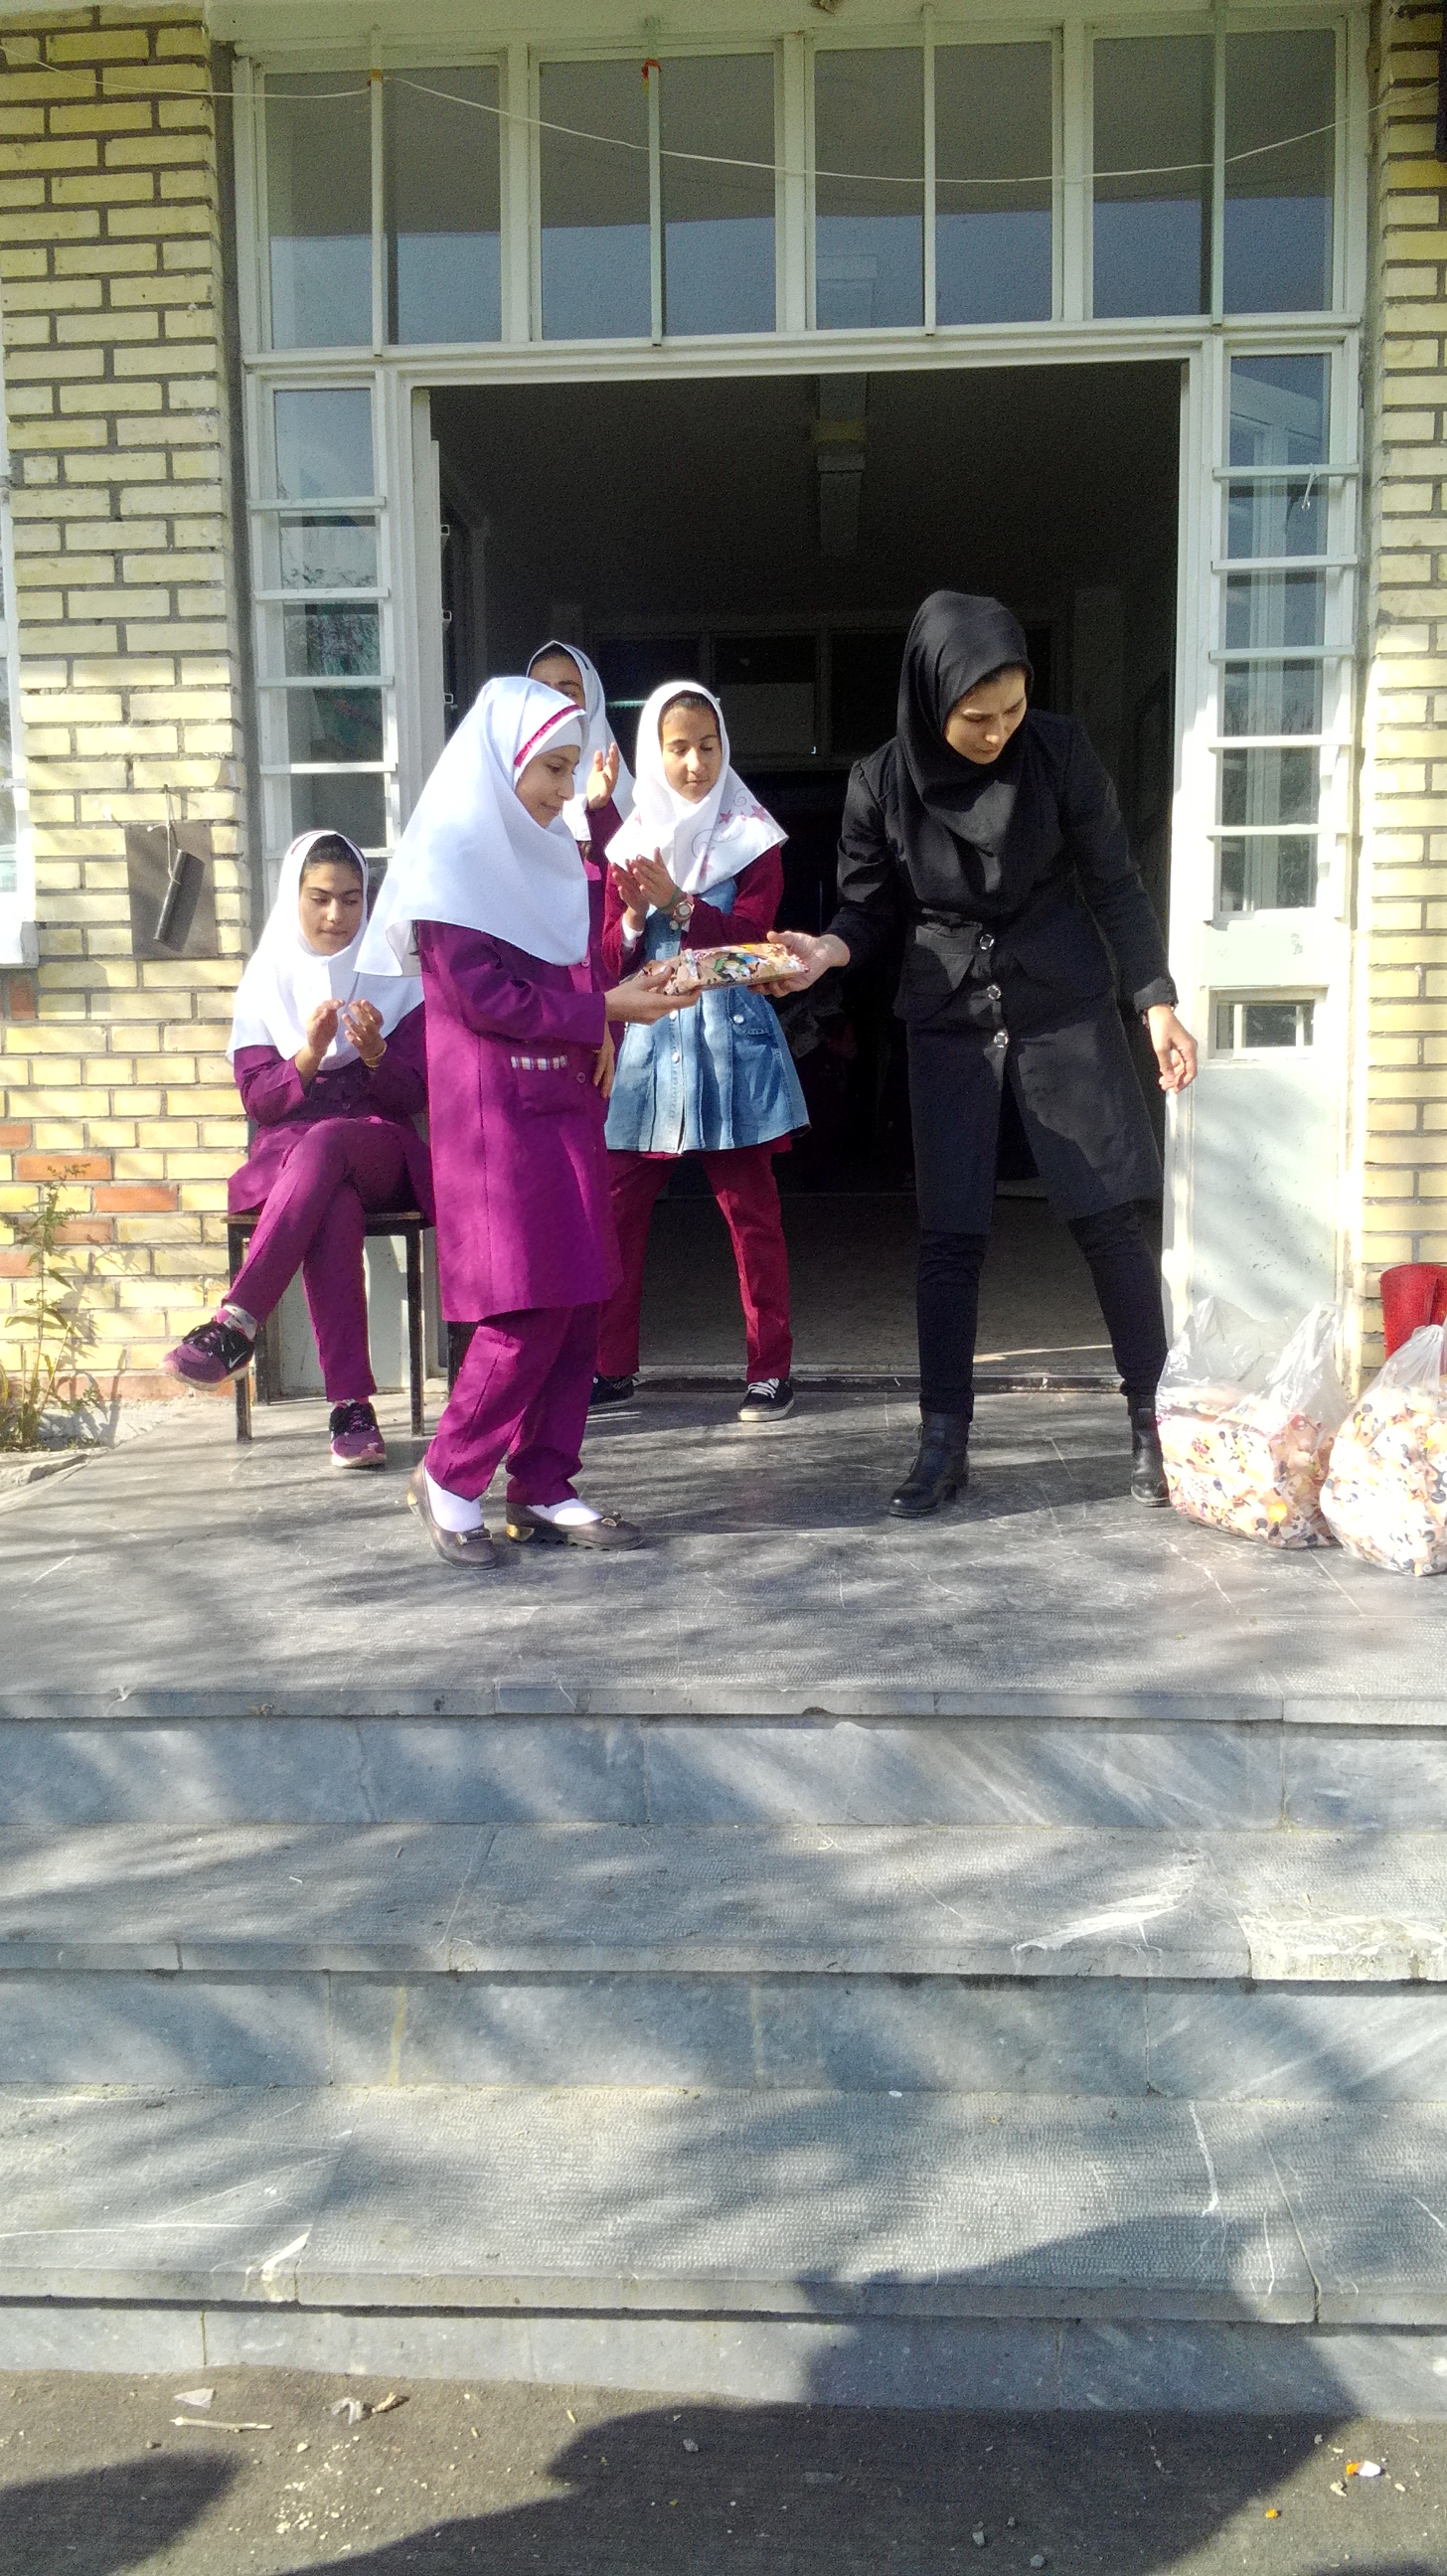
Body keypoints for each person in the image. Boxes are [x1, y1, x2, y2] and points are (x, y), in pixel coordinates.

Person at [778, 591, 1198, 1517]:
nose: (997, 731)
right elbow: (866, 912)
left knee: (1107, 1220)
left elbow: (1115, 883)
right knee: (950, 1234)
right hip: (950, 1011)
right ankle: (943, 1441)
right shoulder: (881, 783)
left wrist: (1155, 999)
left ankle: (1153, 1425)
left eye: (1012, 709)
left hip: (1062, 998)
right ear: (933, 699)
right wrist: (829, 950)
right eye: (976, 717)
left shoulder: (1061, 753)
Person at [356, 674, 694, 1570]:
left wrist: (619, 998)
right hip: (495, 1125)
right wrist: (604, 1010)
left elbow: (574, 968)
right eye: (549, 767)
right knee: (528, 1304)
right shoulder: (452, 861)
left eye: (570, 767)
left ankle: (543, 1482)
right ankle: (449, 1476)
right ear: (501, 761)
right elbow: (485, 996)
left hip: (561, 1104)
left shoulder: (545, 855)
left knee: (578, 1299)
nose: (562, 787)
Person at [163, 830, 432, 1471]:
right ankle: (351, 1410)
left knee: (329, 1140)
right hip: (292, 1161)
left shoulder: (396, 973)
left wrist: (375, 1053)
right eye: (320, 899)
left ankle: (237, 1323)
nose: (337, 915)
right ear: (294, 898)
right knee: (331, 1204)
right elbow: (259, 1102)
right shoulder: (266, 978)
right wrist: (309, 1054)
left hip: (377, 1145)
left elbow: (416, 1092)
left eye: (351, 899)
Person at [593, 681, 809, 1427]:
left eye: (708, 746)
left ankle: (770, 1370)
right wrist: (631, 918)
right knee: (617, 1207)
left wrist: (678, 905)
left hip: (730, 1045)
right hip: (651, 1049)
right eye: (678, 748)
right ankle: (610, 1365)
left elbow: (753, 949)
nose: (695, 764)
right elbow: (608, 961)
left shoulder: (754, 838)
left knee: (751, 1212)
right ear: (654, 754)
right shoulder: (629, 843)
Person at [526, 640, 631, 991]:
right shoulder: (503, 792)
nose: (554, 703)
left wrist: (599, 809)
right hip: (536, 987)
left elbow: (627, 890)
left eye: (569, 692)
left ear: (592, 702)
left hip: (607, 983)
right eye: (540, 691)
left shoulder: (627, 797)